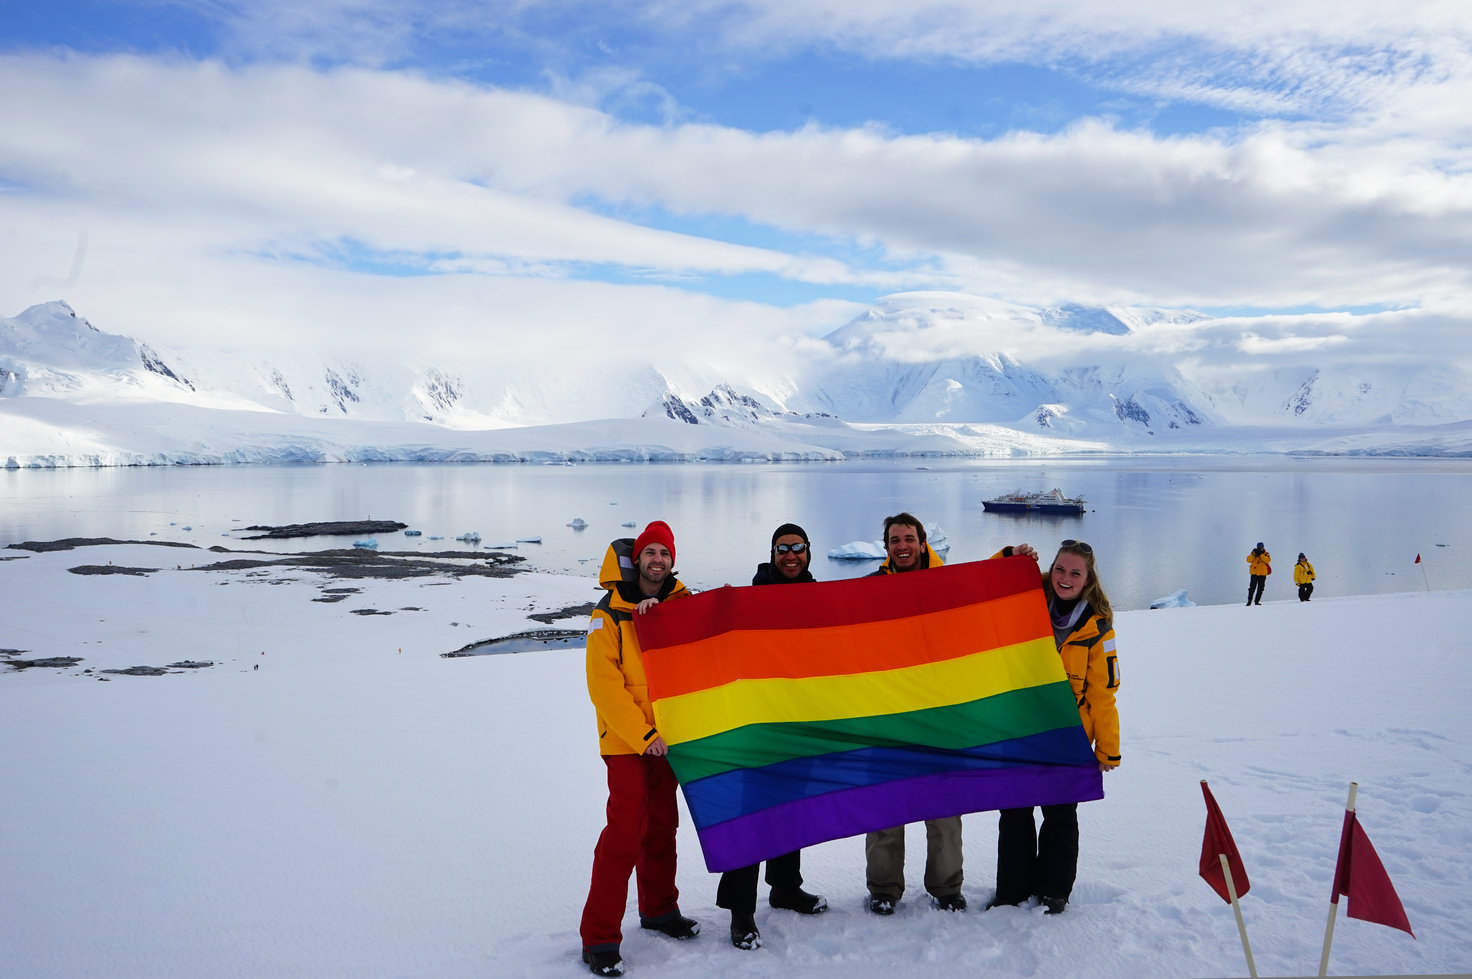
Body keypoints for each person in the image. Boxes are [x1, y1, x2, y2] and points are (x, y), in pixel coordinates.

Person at [863, 511, 1037, 916]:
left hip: (941, 717)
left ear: (923, 543)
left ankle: (946, 887)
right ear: (886, 546)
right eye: (894, 540)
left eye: (909, 539)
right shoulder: (870, 588)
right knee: (886, 808)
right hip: (887, 716)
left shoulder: (944, 583)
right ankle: (884, 889)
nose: (902, 546)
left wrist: (1010, 556)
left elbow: (978, 586)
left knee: (943, 809)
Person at [579, 521, 699, 977]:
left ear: (672, 561)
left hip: (669, 738)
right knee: (623, 834)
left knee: (662, 827)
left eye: (664, 554)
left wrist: (664, 621)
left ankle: (660, 910)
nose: (657, 560)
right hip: (629, 742)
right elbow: (604, 687)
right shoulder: (607, 613)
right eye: (650, 552)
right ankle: (600, 938)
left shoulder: (678, 606)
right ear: (637, 560)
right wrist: (643, 736)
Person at [990, 539, 1121, 916]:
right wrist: (1008, 558)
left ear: (1087, 578)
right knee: (1015, 811)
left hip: (1069, 738)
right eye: (1060, 569)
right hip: (1020, 730)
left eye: (1075, 572)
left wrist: (1107, 748)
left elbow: (1104, 693)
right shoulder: (1026, 598)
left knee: (1060, 816)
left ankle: (1054, 891)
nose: (1065, 578)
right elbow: (982, 588)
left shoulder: (1098, 628)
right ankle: (1012, 892)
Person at [718, 522, 829, 951]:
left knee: (790, 811)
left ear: (808, 552)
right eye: (783, 548)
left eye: (798, 548)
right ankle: (741, 913)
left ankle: (785, 888)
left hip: (800, 724)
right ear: (772, 552)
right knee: (753, 816)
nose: (791, 555)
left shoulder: (818, 598)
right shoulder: (748, 599)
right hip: (758, 726)